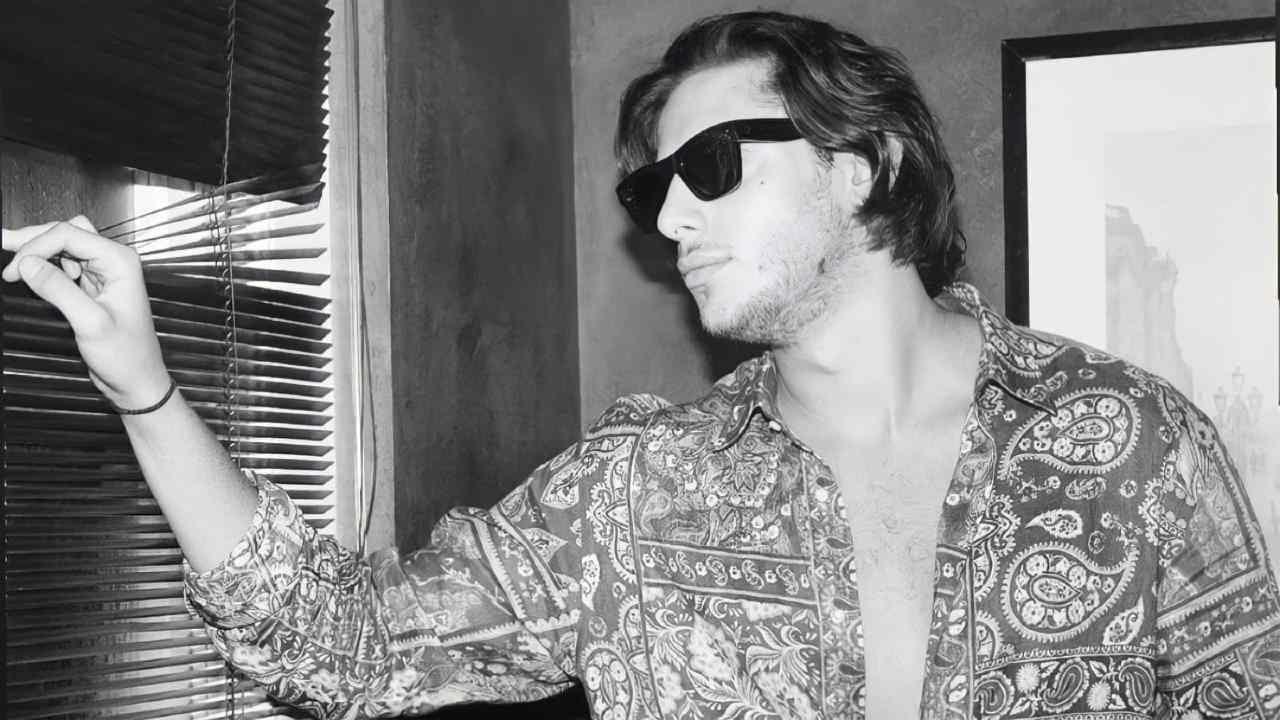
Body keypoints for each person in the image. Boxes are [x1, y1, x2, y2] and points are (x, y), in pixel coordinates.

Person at [3, 10, 1278, 720]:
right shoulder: (631, 491)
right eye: (649, 188)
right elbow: (335, 647)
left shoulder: (1133, 445)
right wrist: (143, 389)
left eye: (708, 168)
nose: (667, 218)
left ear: (862, 166)